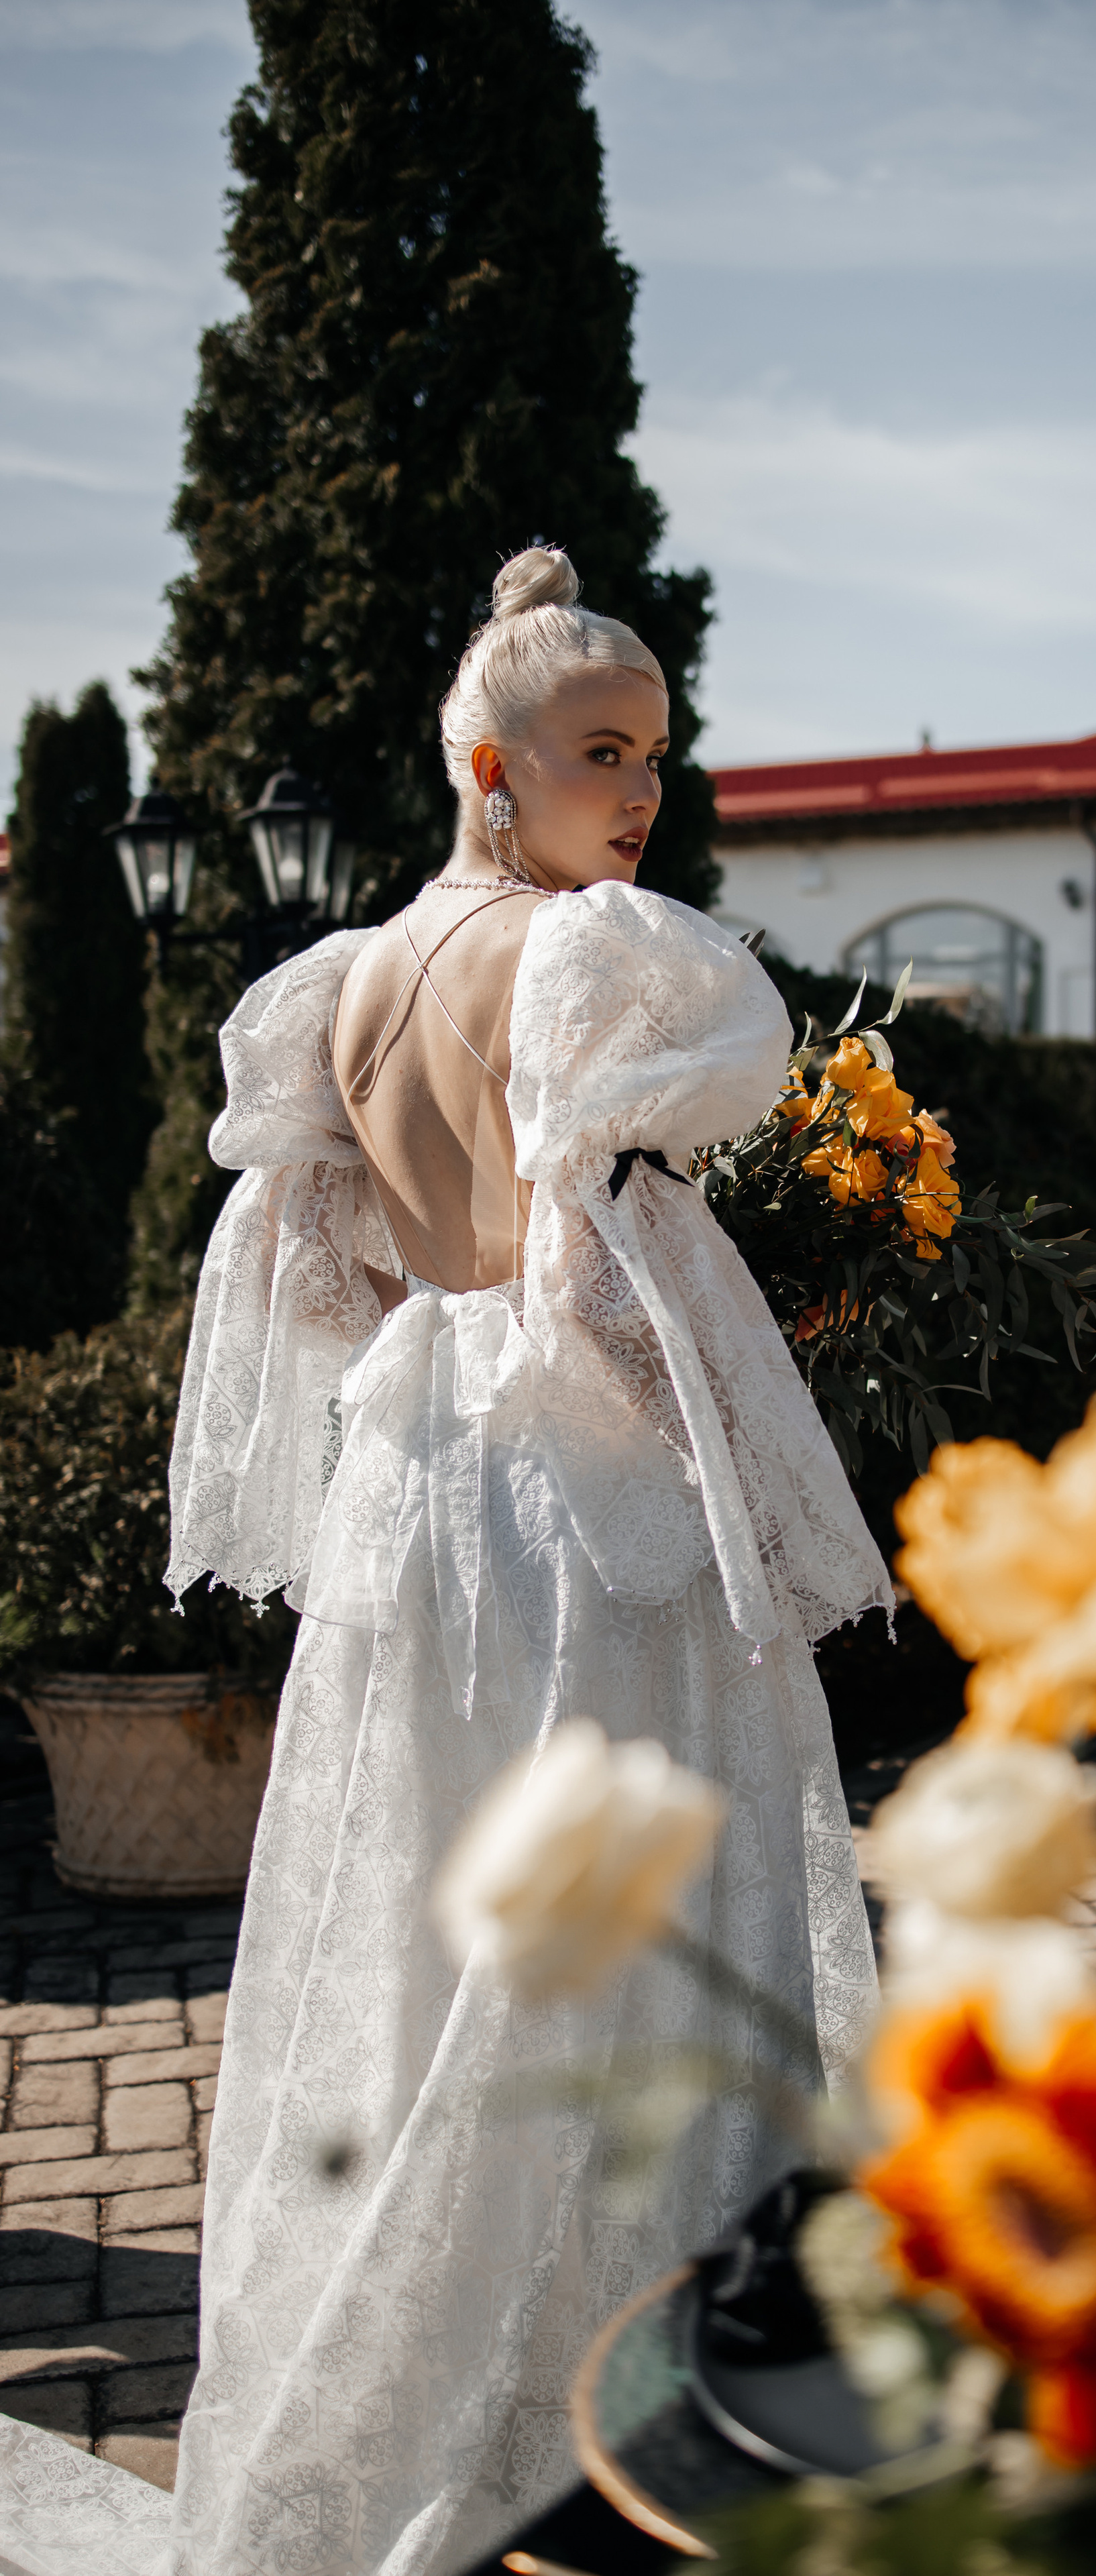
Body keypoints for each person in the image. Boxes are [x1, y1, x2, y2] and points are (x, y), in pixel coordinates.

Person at [0, 548, 890, 2576]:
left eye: (655, 752)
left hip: (415, 1473)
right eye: (598, 754)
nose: (640, 791)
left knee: (435, 1902)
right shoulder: (585, 962)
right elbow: (597, 1283)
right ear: (493, 764)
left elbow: (340, 1273)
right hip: (570, 1504)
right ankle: (634, 2386)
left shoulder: (347, 985)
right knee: (652, 1893)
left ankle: (482, 2352)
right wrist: (743, 1451)